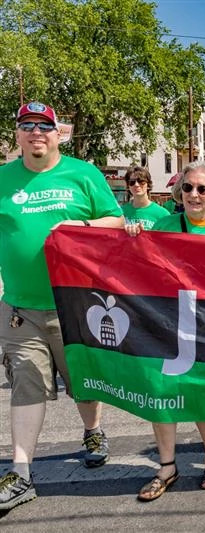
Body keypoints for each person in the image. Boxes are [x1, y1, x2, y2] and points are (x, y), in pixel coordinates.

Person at [0, 102, 125, 511]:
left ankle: (93, 430)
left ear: (59, 133)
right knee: (26, 383)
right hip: (20, 308)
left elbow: (116, 222)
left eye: (44, 126)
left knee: (82, 381)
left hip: (76, 302)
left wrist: (80, 227)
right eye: (27, 125)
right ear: (17, 134)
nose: (36, 132)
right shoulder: (3, 179)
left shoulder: (84, 174)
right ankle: (20, 472)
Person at [126, 161, 205, 501]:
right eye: (188, 188)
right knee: (161, 389)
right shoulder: (163, 224)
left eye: (202, 189)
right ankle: (166, 467)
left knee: (204, 391)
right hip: (164, 319)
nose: (193, 194)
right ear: (179, 192)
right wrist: (133, 239)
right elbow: (139, 267)